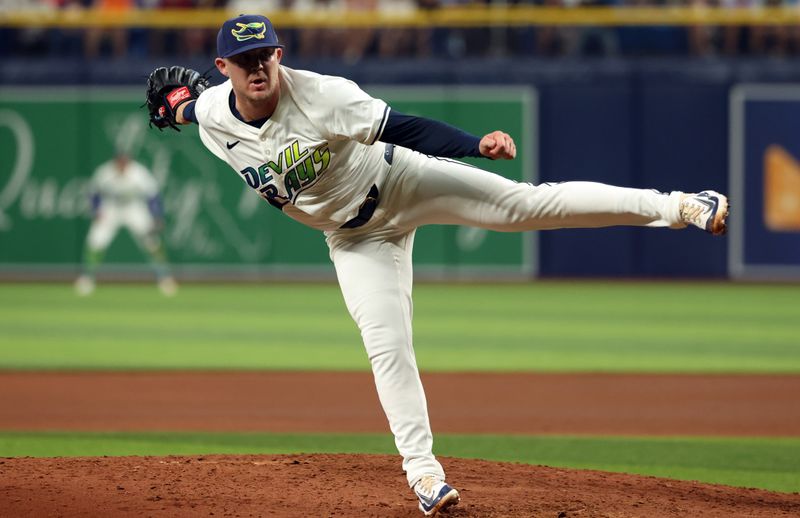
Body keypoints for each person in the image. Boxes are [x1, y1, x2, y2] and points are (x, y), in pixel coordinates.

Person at [147, 14, 729, 516]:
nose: (258, 69)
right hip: (354, 241)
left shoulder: (321, 94)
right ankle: (425, 477)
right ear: (223, 67)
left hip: (399, 178)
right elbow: (182, 109)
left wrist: (475, 144)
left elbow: (405, 126)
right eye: (243, 59)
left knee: (525, 203)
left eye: (265, 55)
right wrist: (175, 106)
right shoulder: (211, 114)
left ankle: (679, 206)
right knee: (386, 346)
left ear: (280, 55)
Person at [74, 151, 177, 296]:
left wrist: (156, 216)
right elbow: (93, 193)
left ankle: (165, 277)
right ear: (115, 162)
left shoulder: (139, 173)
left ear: (129, 162)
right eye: (119, 163)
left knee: (152, 242)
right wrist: (96, 210)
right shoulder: (105, 172)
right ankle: (87, 278)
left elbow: (153, 195)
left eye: (125, 163)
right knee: (95, 240)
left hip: (134, 207)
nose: (122, 166)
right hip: (111, 208)